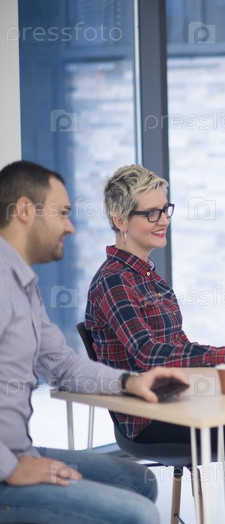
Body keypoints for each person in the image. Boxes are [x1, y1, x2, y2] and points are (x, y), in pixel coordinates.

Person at [84, 164, 225, 524]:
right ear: (120, 220)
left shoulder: (150, 279)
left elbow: (179, 346)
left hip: (181, 401)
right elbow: (147, 354)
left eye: (165, 209)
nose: (163, 220)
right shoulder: (113, 282)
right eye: (151, 213)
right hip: (151, 419)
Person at [0, 160, 188, 524]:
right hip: (7, 464)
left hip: (20, 451)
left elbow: (63, 365)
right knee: (139, 514)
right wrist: (9, 467)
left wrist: (129, 382)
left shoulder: (23, 285)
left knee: (140, 482)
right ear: (24, 211)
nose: (70, 227)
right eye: (62, 213)